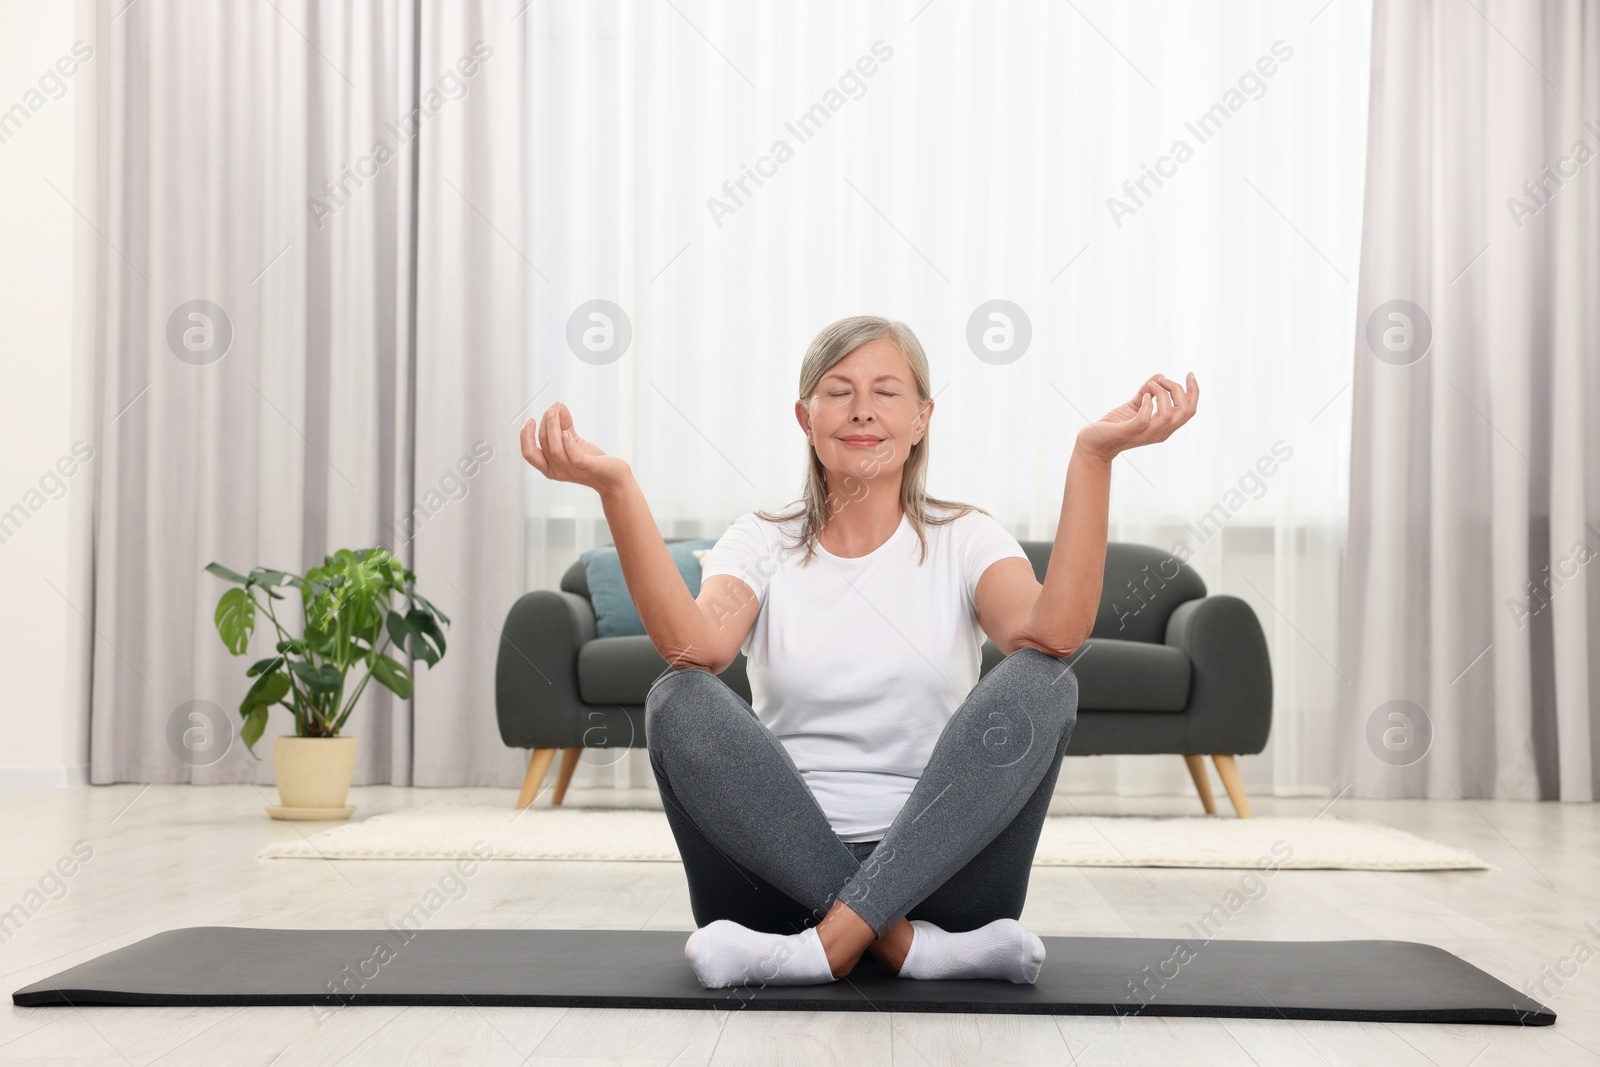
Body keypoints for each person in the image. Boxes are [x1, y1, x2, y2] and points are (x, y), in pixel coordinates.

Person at [520, 314, 1198, 989]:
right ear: (805, 416)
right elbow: (692, 646)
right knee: (679, 696)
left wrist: (1093, 455)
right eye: (839, 390)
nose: (863, 411)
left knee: (1044, 681)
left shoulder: (966, 537)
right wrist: (616, 485)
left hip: (947, 883)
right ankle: (905, 947)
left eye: (886, 391)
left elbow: (1054, 634)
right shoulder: (761, 540)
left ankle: (829, 947)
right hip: (773, 886)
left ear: (922, 417)